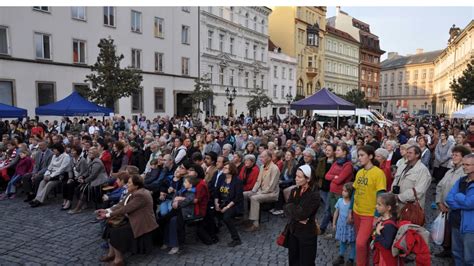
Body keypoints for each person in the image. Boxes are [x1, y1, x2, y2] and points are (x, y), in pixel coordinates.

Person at [97, 175, 158, 265]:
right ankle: (111, 254)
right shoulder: (132, 192)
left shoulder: (140, 195)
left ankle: (119, 259)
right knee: (110, 225)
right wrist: (107, 210)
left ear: (136, 185)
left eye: (129, 183)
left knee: (117, 231)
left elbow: (126, 209)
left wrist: (107, 215)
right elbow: (121, 204)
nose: (127, 184)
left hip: (142, 222)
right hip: (133, 218)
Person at [349, 145, 387, 266]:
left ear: (370, 156)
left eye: (362, 155)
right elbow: (354, 192)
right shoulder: (359, 172)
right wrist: (350, 209)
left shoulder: (378, 173)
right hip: (356, 212)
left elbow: (380, 195)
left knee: (360, 243)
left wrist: (377, 215)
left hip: (369, 213)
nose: (359, 158)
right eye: (358, 155)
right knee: (362, 243)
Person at [435, 145, 470, 258]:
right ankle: (447, 249)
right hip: (445, 206)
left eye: (456, 155)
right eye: (453, 154)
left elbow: (461, 195)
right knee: (446, 231)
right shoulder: (449, 171)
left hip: (456, 210)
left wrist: (450, 205)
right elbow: (439, 186)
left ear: (463, 157)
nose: (453, 157)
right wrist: (439, 202)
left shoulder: (464, 173)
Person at [284, 165, 320, 266]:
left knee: (306, 262)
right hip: (293, 230)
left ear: (308, 179)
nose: (296, 178)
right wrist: (297, 213)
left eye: (299, 177)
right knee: (293, 260)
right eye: (296, 176)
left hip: (307, 233)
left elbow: (303, 214)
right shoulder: (295, 190)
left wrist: (295, 211)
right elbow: (286, 208)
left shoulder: (314, 195)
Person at [446, 153, 474, 266]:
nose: (464, 167)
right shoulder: (461, 180)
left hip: (470, 227)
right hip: (456, 222)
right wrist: (463, 200)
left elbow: (469, 203)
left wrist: (458, 196)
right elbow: (449, 198)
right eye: (463, 164)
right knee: (457, 254)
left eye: (467, 165)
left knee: (469, 259)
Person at [243, 150, 280, 232]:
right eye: (260, 156)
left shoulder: (275, 169)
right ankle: (245, 217)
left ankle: (255, 224)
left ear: (269, 158)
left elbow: (271, 187)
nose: (260, 158)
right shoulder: (262, 167)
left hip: (271, 193)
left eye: (263, 157)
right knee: (244, 194)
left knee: (254, 198)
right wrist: (253, 190)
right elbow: (258, 181)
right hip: (261, 191)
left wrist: (258, 193)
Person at [324, 143, 353, 239]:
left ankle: (342, 234)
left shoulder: (348, 165)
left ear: (344, 152)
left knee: (341, 214)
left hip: (340, 193)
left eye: (338, 150)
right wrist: (334, 177)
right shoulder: (336, 163)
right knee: (333, 213)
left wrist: (335, 178)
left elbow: (340, 180)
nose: (336, 152)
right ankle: (335, 232)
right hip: (332, 190)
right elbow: (326, 176)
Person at [29, 143, 71, 208]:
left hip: (60, 176)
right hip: (51, 174)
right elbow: (50, 167)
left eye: (54, 150)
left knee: (49, 184)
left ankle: (39, 200)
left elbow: (61, 169)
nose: (53, 151)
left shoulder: (66, 156)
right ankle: (37, 199)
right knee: (42, 182)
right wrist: (46, 175)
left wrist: (51, 176)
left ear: (59, 150)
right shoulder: (54, 156)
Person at [69, 147, 108, 213]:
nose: (89, 154)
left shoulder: (97, 162)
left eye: (91, 153)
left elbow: (93, 175)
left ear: (95, 154)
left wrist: (84, 180)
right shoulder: (92, 160)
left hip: (100, 181)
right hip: (94, 179)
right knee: (80, 186)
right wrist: (82, 176)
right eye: (89, 152)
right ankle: (82, 205)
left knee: (84, 189)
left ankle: (78, 208)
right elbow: (88, 171)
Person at [392, 146, 432, 210]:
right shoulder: (402, 166)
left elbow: (419, 191)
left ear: (417, 155)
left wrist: (400, 197)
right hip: (397, 205)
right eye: (407, 152)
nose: (407, 154)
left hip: (412, 207)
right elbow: (395, 180)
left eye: (410, 153)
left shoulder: (423, 170)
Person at [214, 162, 244, 247]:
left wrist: (227, 207)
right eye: (224, 167)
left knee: (227, 217)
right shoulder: (221, 177)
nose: (224, 169)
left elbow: (237, 198)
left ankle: (236, 239)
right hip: (222, 202)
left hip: (233, 204)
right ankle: (213, 232)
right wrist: (216, 203)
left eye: (226, 168)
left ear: (231, 170)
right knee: (210, 211)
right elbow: (216, 192)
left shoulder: (237, 181)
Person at [372, 193, 400, 266]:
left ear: (388, 208)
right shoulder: (383, 220)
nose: (376, 206)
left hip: (385, 260)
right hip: (381, 256)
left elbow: (387, 245)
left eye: (379, 205)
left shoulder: (389, 226)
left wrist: (378, 232)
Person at [332, 182, 356, 266]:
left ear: (350, 193)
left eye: (345, 191)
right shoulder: (339, 201)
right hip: (341, 226)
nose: (343, 192)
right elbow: (336, 212)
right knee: (342, 241)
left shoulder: (352, 204)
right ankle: (341, 257)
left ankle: (351, 259)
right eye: (343, 190)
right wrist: (334, 223)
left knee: (353, 243)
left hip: (350, 227)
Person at [62, 145, 87, 210]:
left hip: (80, 177)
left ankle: (69, 202)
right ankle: (65, 199)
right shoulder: (71, 159)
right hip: (73, 177)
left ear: (77, 152)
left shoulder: (82, 160)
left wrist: (74, 179)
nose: (72, 152)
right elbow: (70, 169)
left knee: (71, 184)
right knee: (64, 183)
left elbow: (82, 172)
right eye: (72, 151)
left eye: (73, 151)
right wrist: (70, 178)